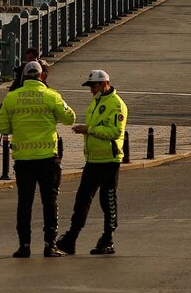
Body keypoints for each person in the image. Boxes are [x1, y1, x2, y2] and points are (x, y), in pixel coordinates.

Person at [0, 60, 75, 258]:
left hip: (23, 160)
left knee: (24, 203)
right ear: (41, 76)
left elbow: (2, 128)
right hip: (48, 158)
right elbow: (69, 118)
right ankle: (50, 245)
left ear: (23, 76)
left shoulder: (11, 98)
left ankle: (24, 246)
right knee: (50, 202)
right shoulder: (51, 96)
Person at [55, 69, 127, 256]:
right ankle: (71, 237)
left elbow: (115, 132)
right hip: (93, 159)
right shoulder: (96, 101)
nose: (91, 90)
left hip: (110, 160)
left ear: (104, 84)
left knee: (108, 200)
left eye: (93, 86)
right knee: (82, 200)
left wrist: (90, 130)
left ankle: (108, 238)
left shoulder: (116, 105)